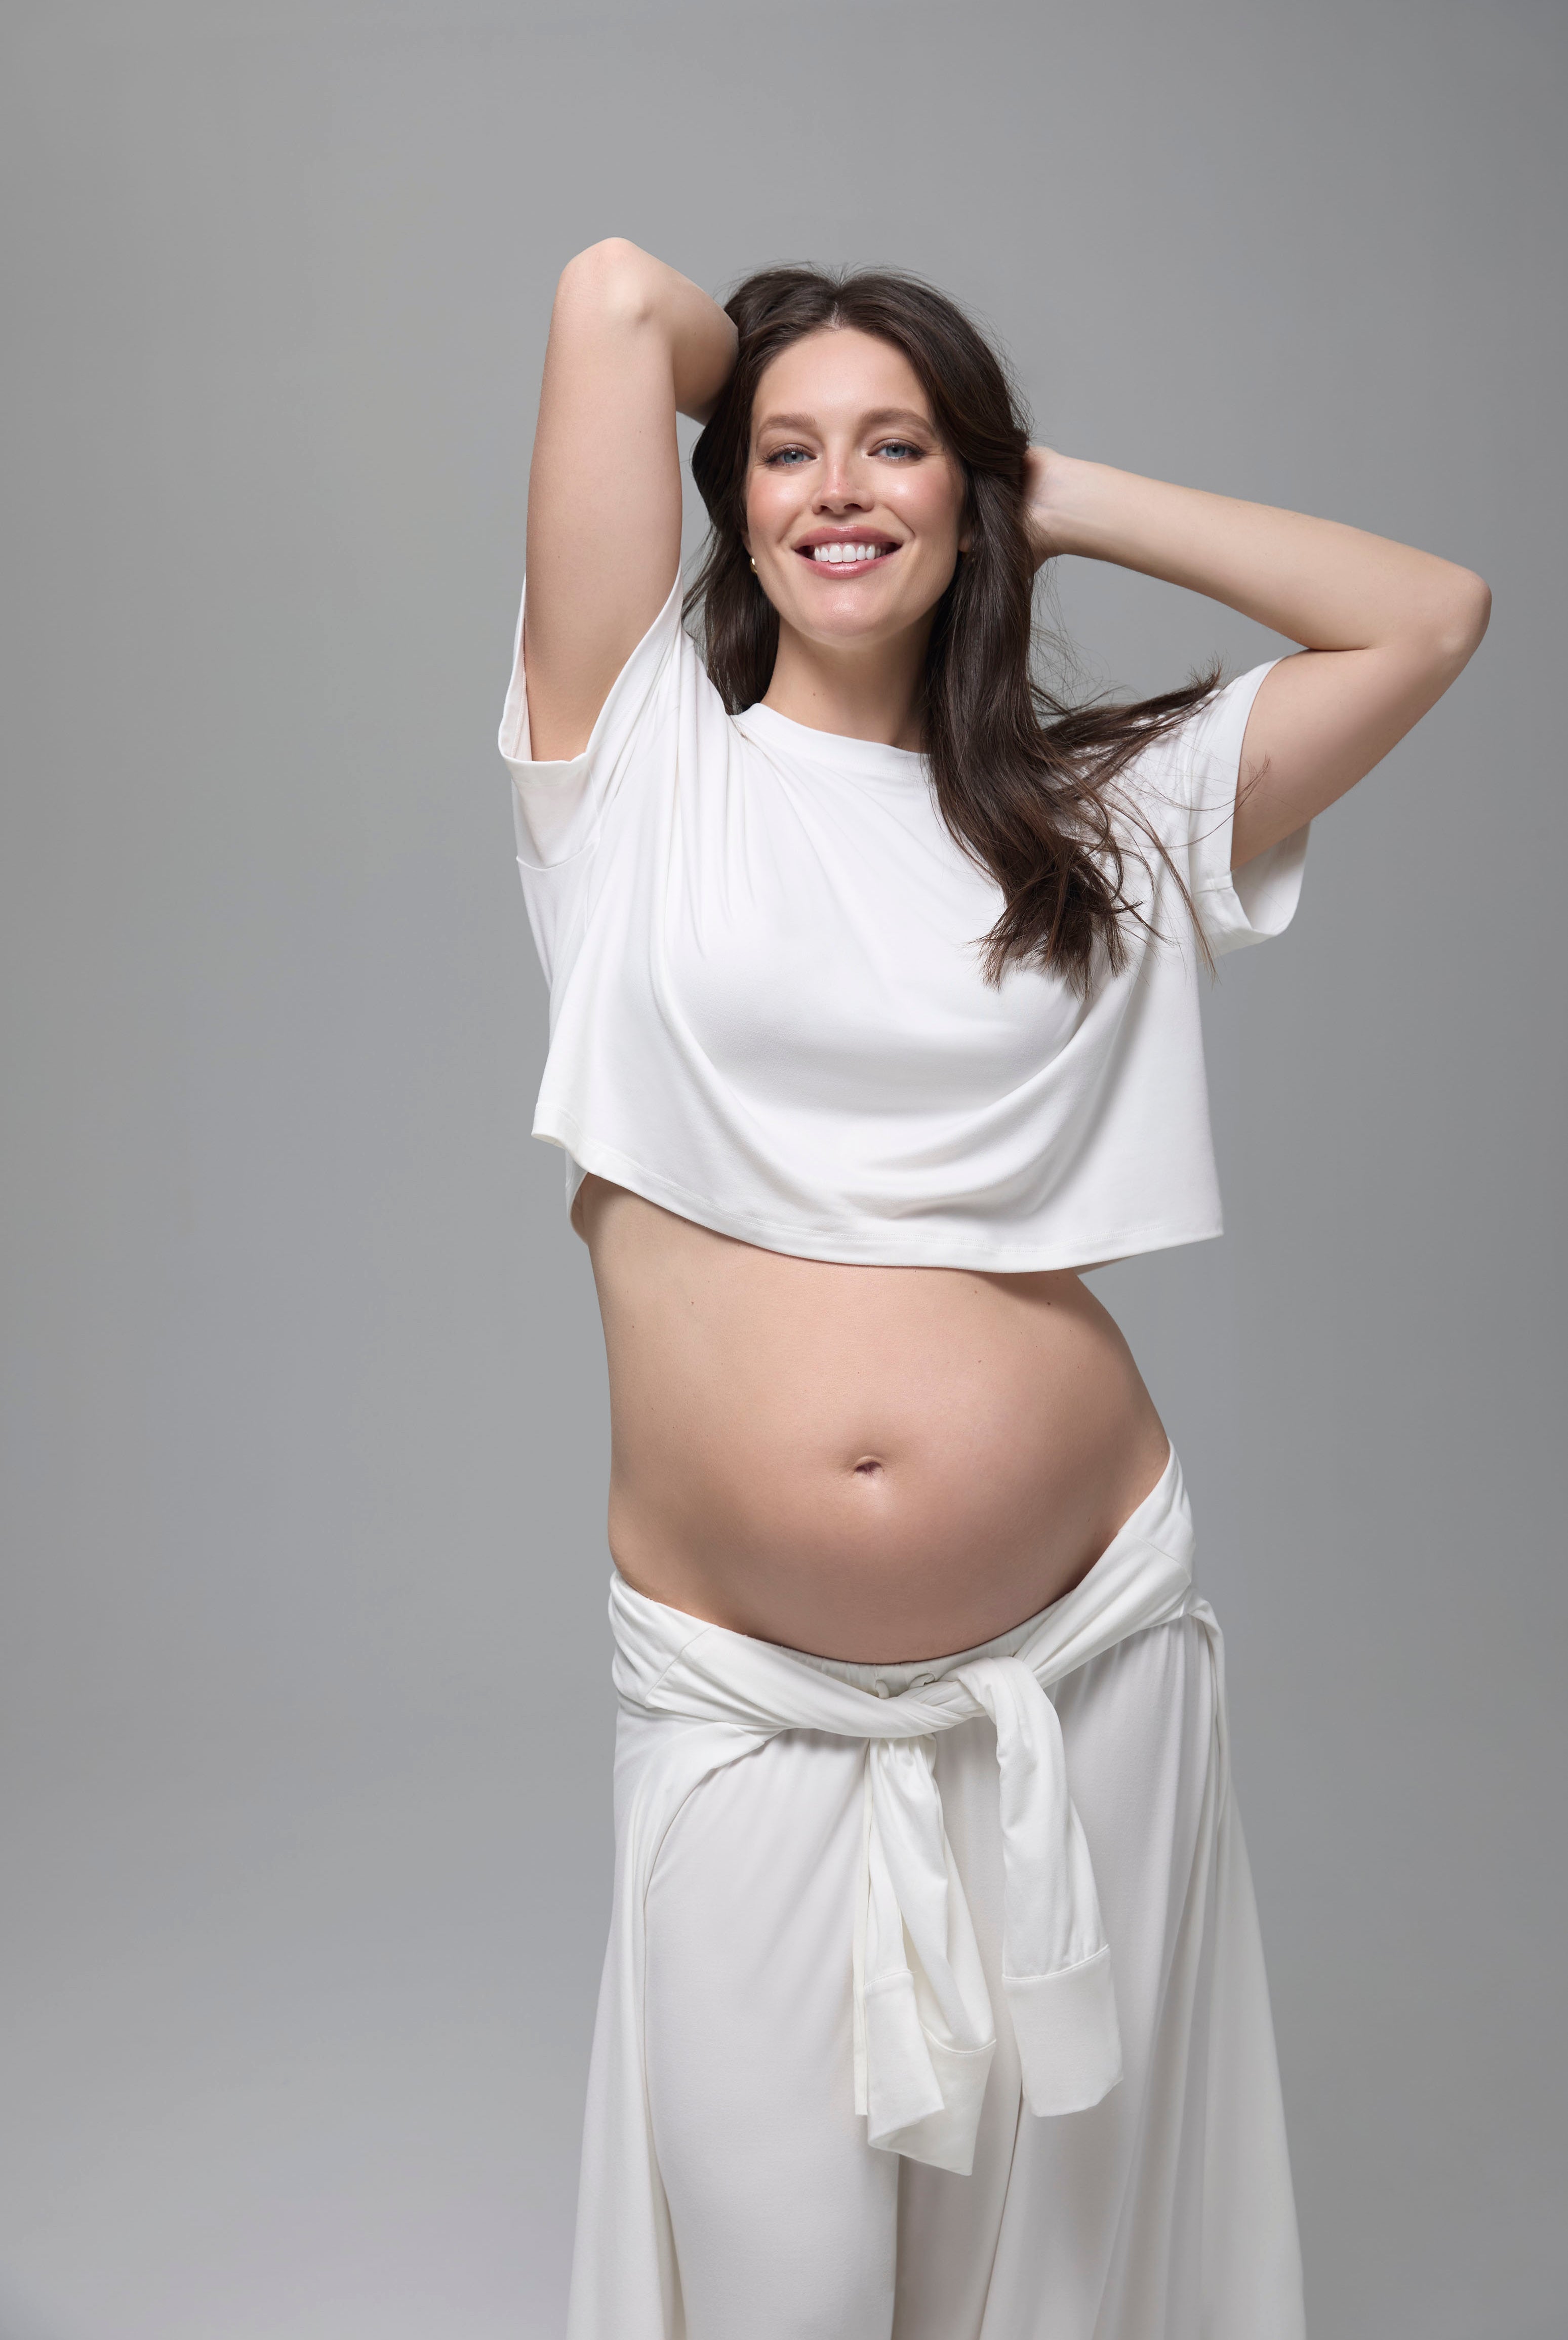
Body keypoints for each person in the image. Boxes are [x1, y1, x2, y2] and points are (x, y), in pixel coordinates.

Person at [497, 238, 1489, 2340]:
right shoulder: (632, 759)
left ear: (973, 500)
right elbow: (607, 301)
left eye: (895, 451)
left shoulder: (1093, 814)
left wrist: (1053, 481)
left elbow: (1429, 615)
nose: (836, 489)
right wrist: (781, 374)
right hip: (744, 1700)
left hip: (1087, 1659)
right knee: (780, 2287)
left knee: (1050, 2294)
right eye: (784, 453)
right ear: (726, 491)